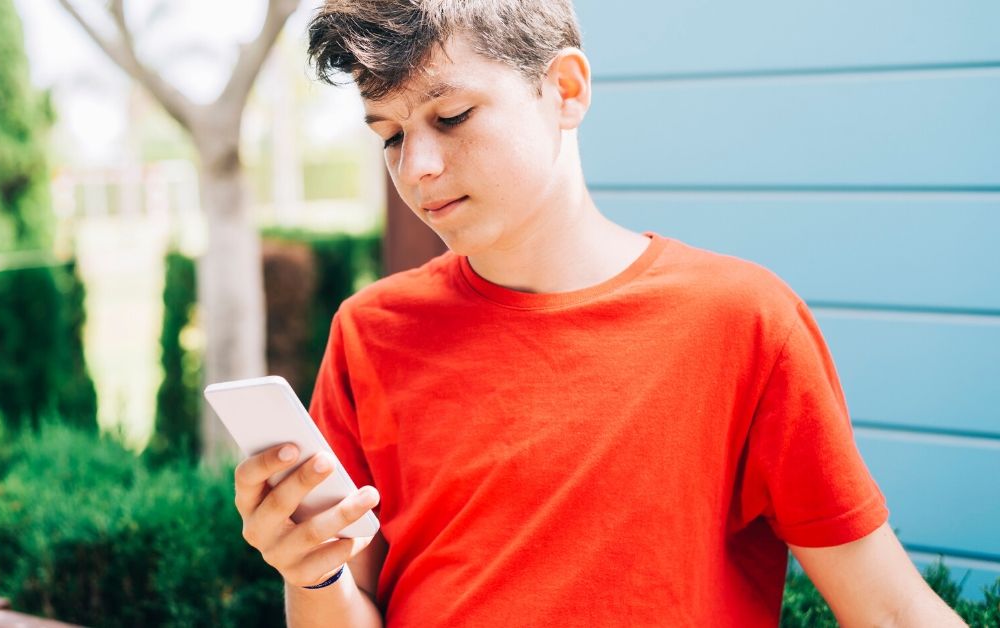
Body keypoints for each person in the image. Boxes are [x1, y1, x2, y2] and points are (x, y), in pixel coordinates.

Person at [231, 1, 967, 625]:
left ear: (567, 89)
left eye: (450, 116)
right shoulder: (371, 331)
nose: (415, 166)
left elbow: (890, 609)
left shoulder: (742, 321)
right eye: (389, 135)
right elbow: (348, 602)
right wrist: (311, 574)